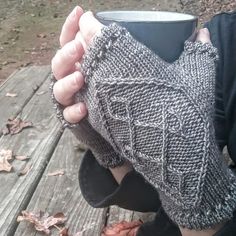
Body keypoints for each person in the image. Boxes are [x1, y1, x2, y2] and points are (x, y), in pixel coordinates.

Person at [51, 6, 236, 236]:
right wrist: (106, 140)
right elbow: (156, 197)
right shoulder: (226, 38)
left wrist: (204, 207)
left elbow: (188, 179)